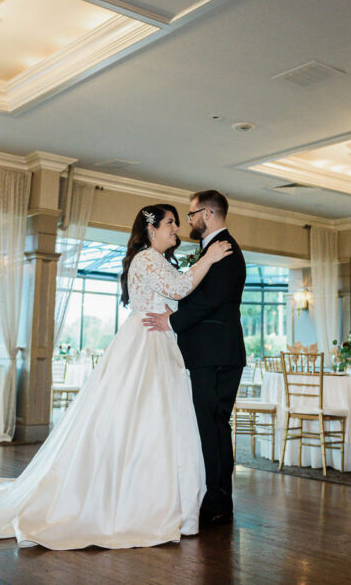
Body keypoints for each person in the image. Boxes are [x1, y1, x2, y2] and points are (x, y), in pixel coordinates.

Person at [0, 204, 232, 550]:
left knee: (157, 422)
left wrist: (172, 310)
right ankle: (132, 500)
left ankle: (156, 497)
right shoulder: (146, 259)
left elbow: (172, 295)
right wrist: (209, 258)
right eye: (171, 222)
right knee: (141, 419)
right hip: (146, 345)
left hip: (156, 341)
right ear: (152, 229)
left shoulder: (154, 260)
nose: (176, 228)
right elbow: (182, 287)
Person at [142, 190, 246, 525]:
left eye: (191, 214)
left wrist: (171, 321)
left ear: (209, 213)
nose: (188, 221)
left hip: (215, 353)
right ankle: (214, 497)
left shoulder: (226, 249)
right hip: (210, 352)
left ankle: (217, 502)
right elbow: (200, 294)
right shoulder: (212, 251)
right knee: (211, 426)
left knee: (213, 426)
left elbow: (212, 300)